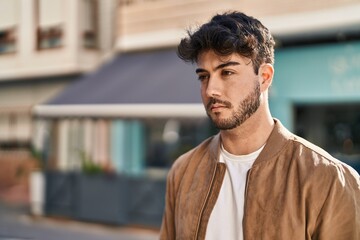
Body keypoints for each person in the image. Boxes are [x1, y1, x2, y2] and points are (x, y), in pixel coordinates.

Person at [159, 11, 360, 240]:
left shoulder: (330, 179)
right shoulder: (184, 172)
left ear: (264, 77)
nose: (210, 90)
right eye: (204, 76)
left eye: (227, 72)